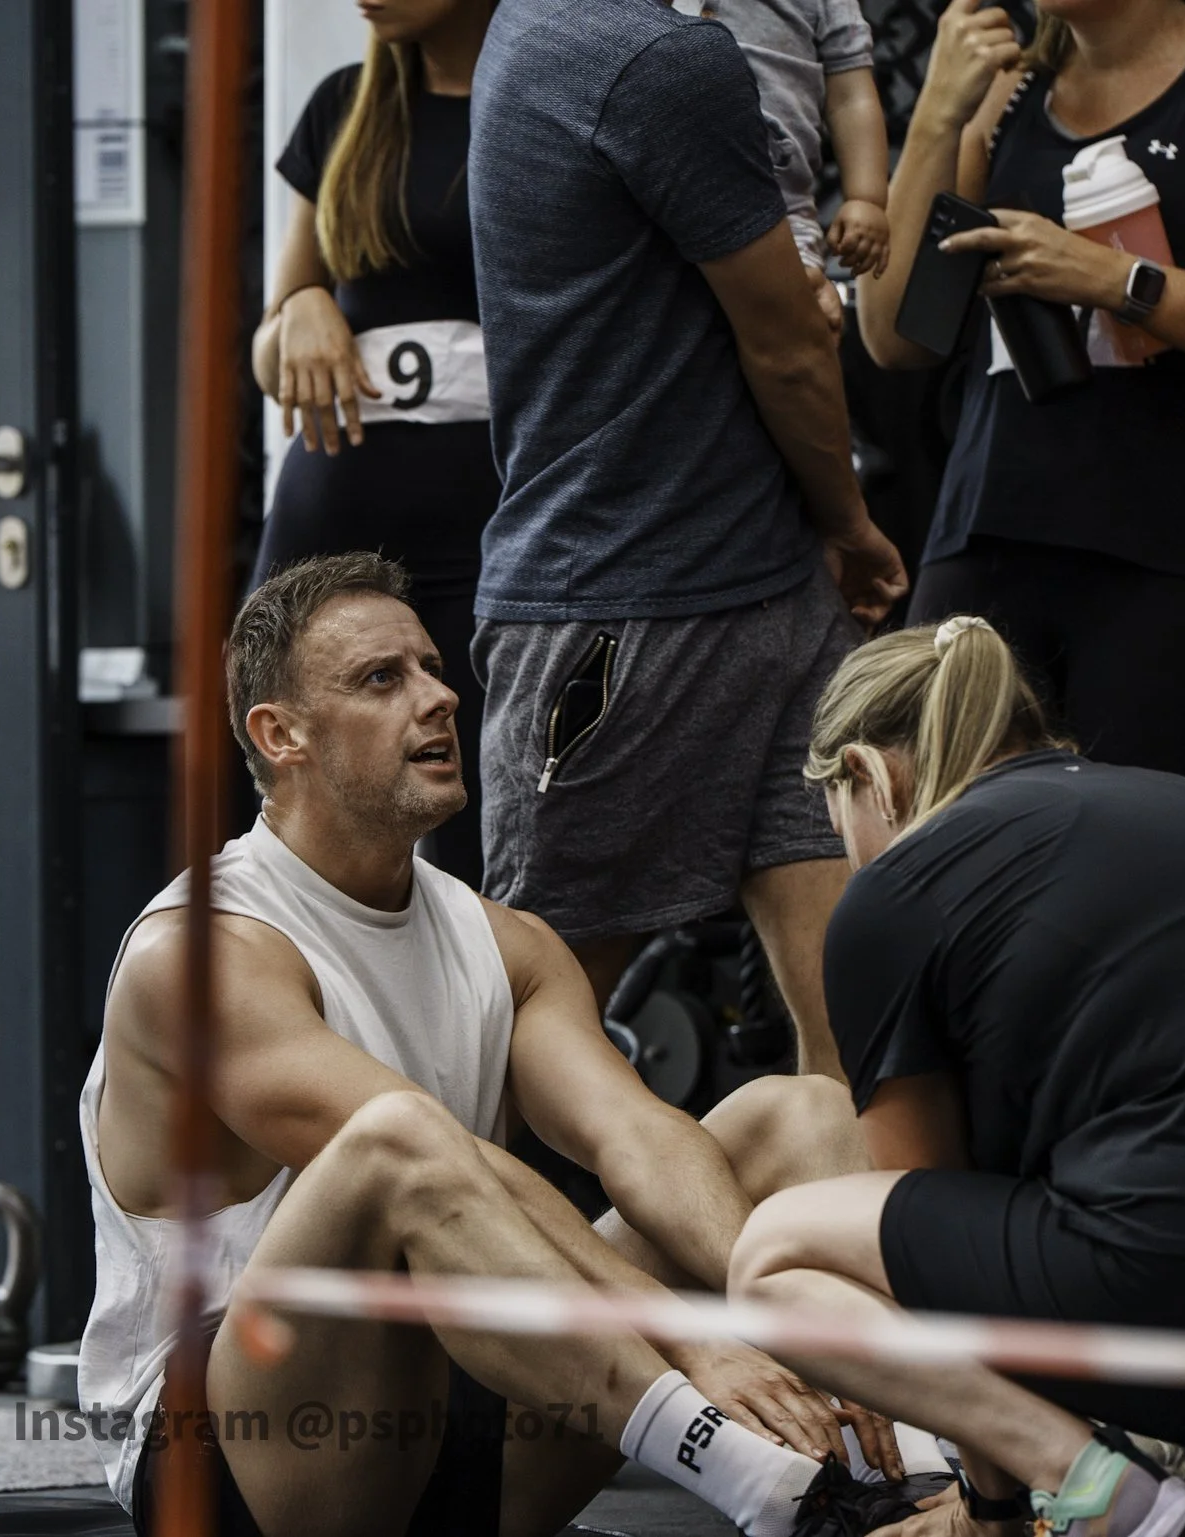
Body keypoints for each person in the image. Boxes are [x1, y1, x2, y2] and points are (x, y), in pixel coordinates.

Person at [78, 555, 949, 1537]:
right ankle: (766, 1487)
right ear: (282, 736)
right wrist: (691, 1338)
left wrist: (788, 1317)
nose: (439, 696)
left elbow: (636, 1138)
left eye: (430, 667)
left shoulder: (506, 943)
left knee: (798, 1114)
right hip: (247, 1456)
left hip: (475, 1422)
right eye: (381, 678)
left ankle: (926, 1476)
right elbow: (432, 1160)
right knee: (396, 1140)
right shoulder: (202, 955)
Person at [727, 616, 1185, 1537]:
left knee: (775, 1251)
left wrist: (990, 1504)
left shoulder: (898, 889)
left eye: (836, 820)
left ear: (867, 774)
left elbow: (929, 1235)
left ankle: (1099, 1496)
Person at [465, 0, 909, 1077]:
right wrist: (847, 521)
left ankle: (826, 1202)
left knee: (857, 1033)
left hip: (752, 582)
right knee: (528, 1046)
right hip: (624, 607)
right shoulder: (654, 60)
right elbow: (788, 343)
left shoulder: (535, 26)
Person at [856, 0, 1185, 804]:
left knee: (1145, 857)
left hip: (1174, 557)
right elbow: (895, 337)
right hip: (986, 538)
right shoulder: (1003, 89)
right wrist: (937, 114)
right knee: (949, 845)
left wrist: (1117, 280)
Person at [249, 0, 498, 885]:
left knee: (475, 819)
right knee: (289, 801)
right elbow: (269, 358)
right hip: (331, 515)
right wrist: (301, 308)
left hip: (493, 527)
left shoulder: (543, 101)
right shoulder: (345, 106)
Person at [671, 0, 895, 335]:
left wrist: (867, 198)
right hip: (667, 194)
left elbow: (852, 97)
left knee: (801, 324)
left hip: (783, 208)